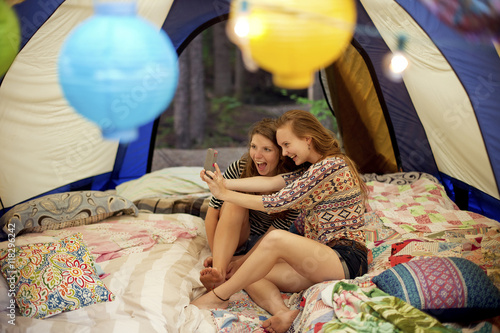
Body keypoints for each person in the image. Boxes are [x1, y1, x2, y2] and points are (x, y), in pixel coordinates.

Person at [192, 110, 368, 333]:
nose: (284, 152)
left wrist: (225, 194)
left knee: (275, 239)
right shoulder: (311, 170)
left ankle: (219, 296)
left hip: (346, 258)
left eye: (286, 144)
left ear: (307, 139)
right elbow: (273, 183)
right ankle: (283, 313)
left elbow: (279, 200)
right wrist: (223, 183)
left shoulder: (331, 166)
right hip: (321, 262)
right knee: (250, 270)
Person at [201, 118, 300, 291]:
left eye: (267, 149)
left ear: (281, 152)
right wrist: (216, 255)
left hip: (266, 244)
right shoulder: (240, 168)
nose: (257, 156)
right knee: (234, 202)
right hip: (236, 235)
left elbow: (274, 234)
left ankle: (222, 272)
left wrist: (241, 261)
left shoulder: (292, 182)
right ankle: (218, 274)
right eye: (254, 147)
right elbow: (212, 214)